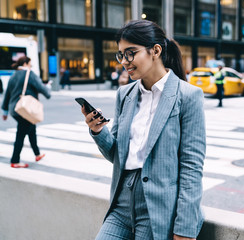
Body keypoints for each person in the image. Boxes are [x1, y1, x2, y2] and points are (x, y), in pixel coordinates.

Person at [80, 20, 206, 240]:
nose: (125, 62)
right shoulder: (124, 94)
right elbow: (118, 155)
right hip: (121, 205)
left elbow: (191, 167)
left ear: (155, 50)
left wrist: (185, 229)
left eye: (131, 53)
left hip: (157, 209)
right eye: (121, 55)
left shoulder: (188, 96)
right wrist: (99, 131)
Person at [1, 56, 51, 168]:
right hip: (25, 109)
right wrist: (48, 90)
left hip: (15, 109)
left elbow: (7, 94)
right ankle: (15, 160)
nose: (31, 66)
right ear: (25, 63)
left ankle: (37, 154)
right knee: (21, 134)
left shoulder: (13, 76)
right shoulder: (29, 74)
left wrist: (4, 111)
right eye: (30, 63)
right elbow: (41, 88)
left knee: (31, 129)